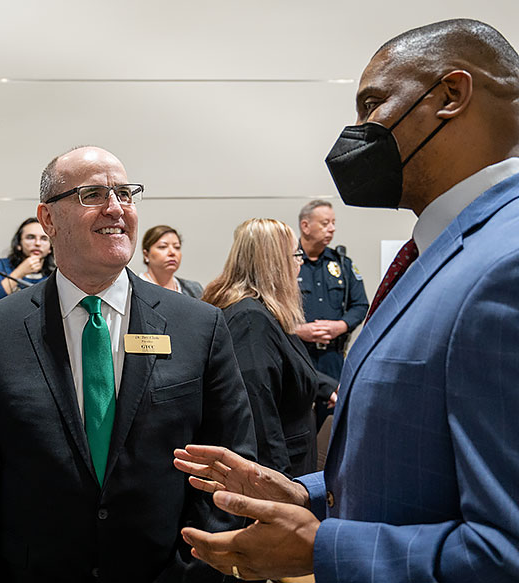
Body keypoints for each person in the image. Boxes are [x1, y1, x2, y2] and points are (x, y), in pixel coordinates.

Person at [173, 18, 519, 582]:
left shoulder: (506, 264)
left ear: (451, 96)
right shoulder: (441, 251)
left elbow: (507, 551)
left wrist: (323, 549)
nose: (358, 131)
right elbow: (421, 465)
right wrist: (304, 492)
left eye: (373, 104)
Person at [0, 146, 256, 583]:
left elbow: (230, 464)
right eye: (92, 194)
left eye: (126, 194)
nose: (116, 208)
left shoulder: (199, 325)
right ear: (48, 219)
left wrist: (193, 570)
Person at [204, 218, 334, 478]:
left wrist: (328, 387)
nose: (301, 262)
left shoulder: (259, 311)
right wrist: (277, 488)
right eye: (296, 254)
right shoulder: (251, 320)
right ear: (274, 262)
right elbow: (259, 416)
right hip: (280, 469)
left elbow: (285, 366)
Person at [296, 200, 368, 427]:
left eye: (334, 223)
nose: (332, 228)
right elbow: (270, 307)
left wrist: (342, 326)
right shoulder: (288, 262)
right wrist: (298, 330)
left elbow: (360, 305)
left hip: (333, 358)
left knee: (334, 424)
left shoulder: (342, 264)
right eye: (325, 223)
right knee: (299, 421)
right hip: (298, 356)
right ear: (305, 226)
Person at [0, 217, 54, 299]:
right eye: (31, 237)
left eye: (44, 239)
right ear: (18, 244)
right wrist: (20, 272)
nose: (37, 243)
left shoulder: (54, 276)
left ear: (50, 248)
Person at [139, 224, 203, 298]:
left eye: (177, 247)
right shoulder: (134, 288)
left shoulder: (193, 289)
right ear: (146, 255)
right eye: (163, 247)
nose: (172, 252)